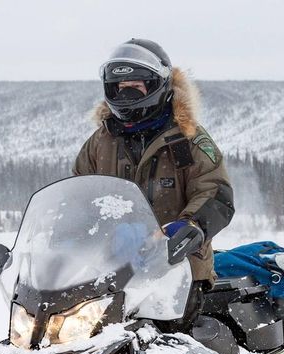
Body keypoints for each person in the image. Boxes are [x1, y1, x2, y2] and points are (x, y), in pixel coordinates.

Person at [74, 39, 234, 333]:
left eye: (136, 85)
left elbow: (215, 192)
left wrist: (191, 226)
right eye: (121, 87)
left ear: (157, 86)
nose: (128, 93)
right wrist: (59, 239)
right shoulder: (101, 142)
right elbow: (77, 196)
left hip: (177, 269)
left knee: (159, 353)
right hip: (111, 270)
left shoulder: (187, 139)